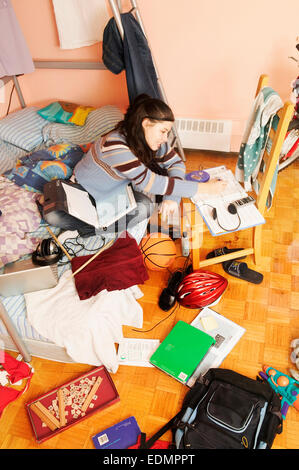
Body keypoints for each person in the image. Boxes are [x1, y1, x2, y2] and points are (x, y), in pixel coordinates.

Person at [43, 94, 226, 237]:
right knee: (52, 216)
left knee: (144, 206)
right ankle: (91, 229)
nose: (165, 138)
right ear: (146, 123)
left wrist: (172, 197)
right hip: (83, 191)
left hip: (112, 192)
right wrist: (204, 189)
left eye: (167, 132)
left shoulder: (149, 140)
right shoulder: (115, 145)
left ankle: (96, 225)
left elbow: (176, 162)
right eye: (162, 131)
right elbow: (151, 183)